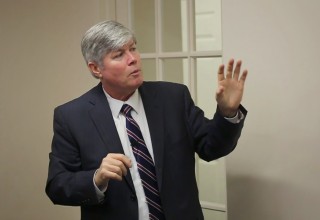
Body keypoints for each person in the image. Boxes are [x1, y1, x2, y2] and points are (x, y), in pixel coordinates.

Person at [45, 20, 248, 220]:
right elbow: (57, 185)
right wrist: (96, 178)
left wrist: (227, 112)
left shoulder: (174, 98)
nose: (133, 59)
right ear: (96, 69)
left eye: (133, 48)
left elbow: (212, 147)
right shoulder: (71, 116)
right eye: (119, 55)